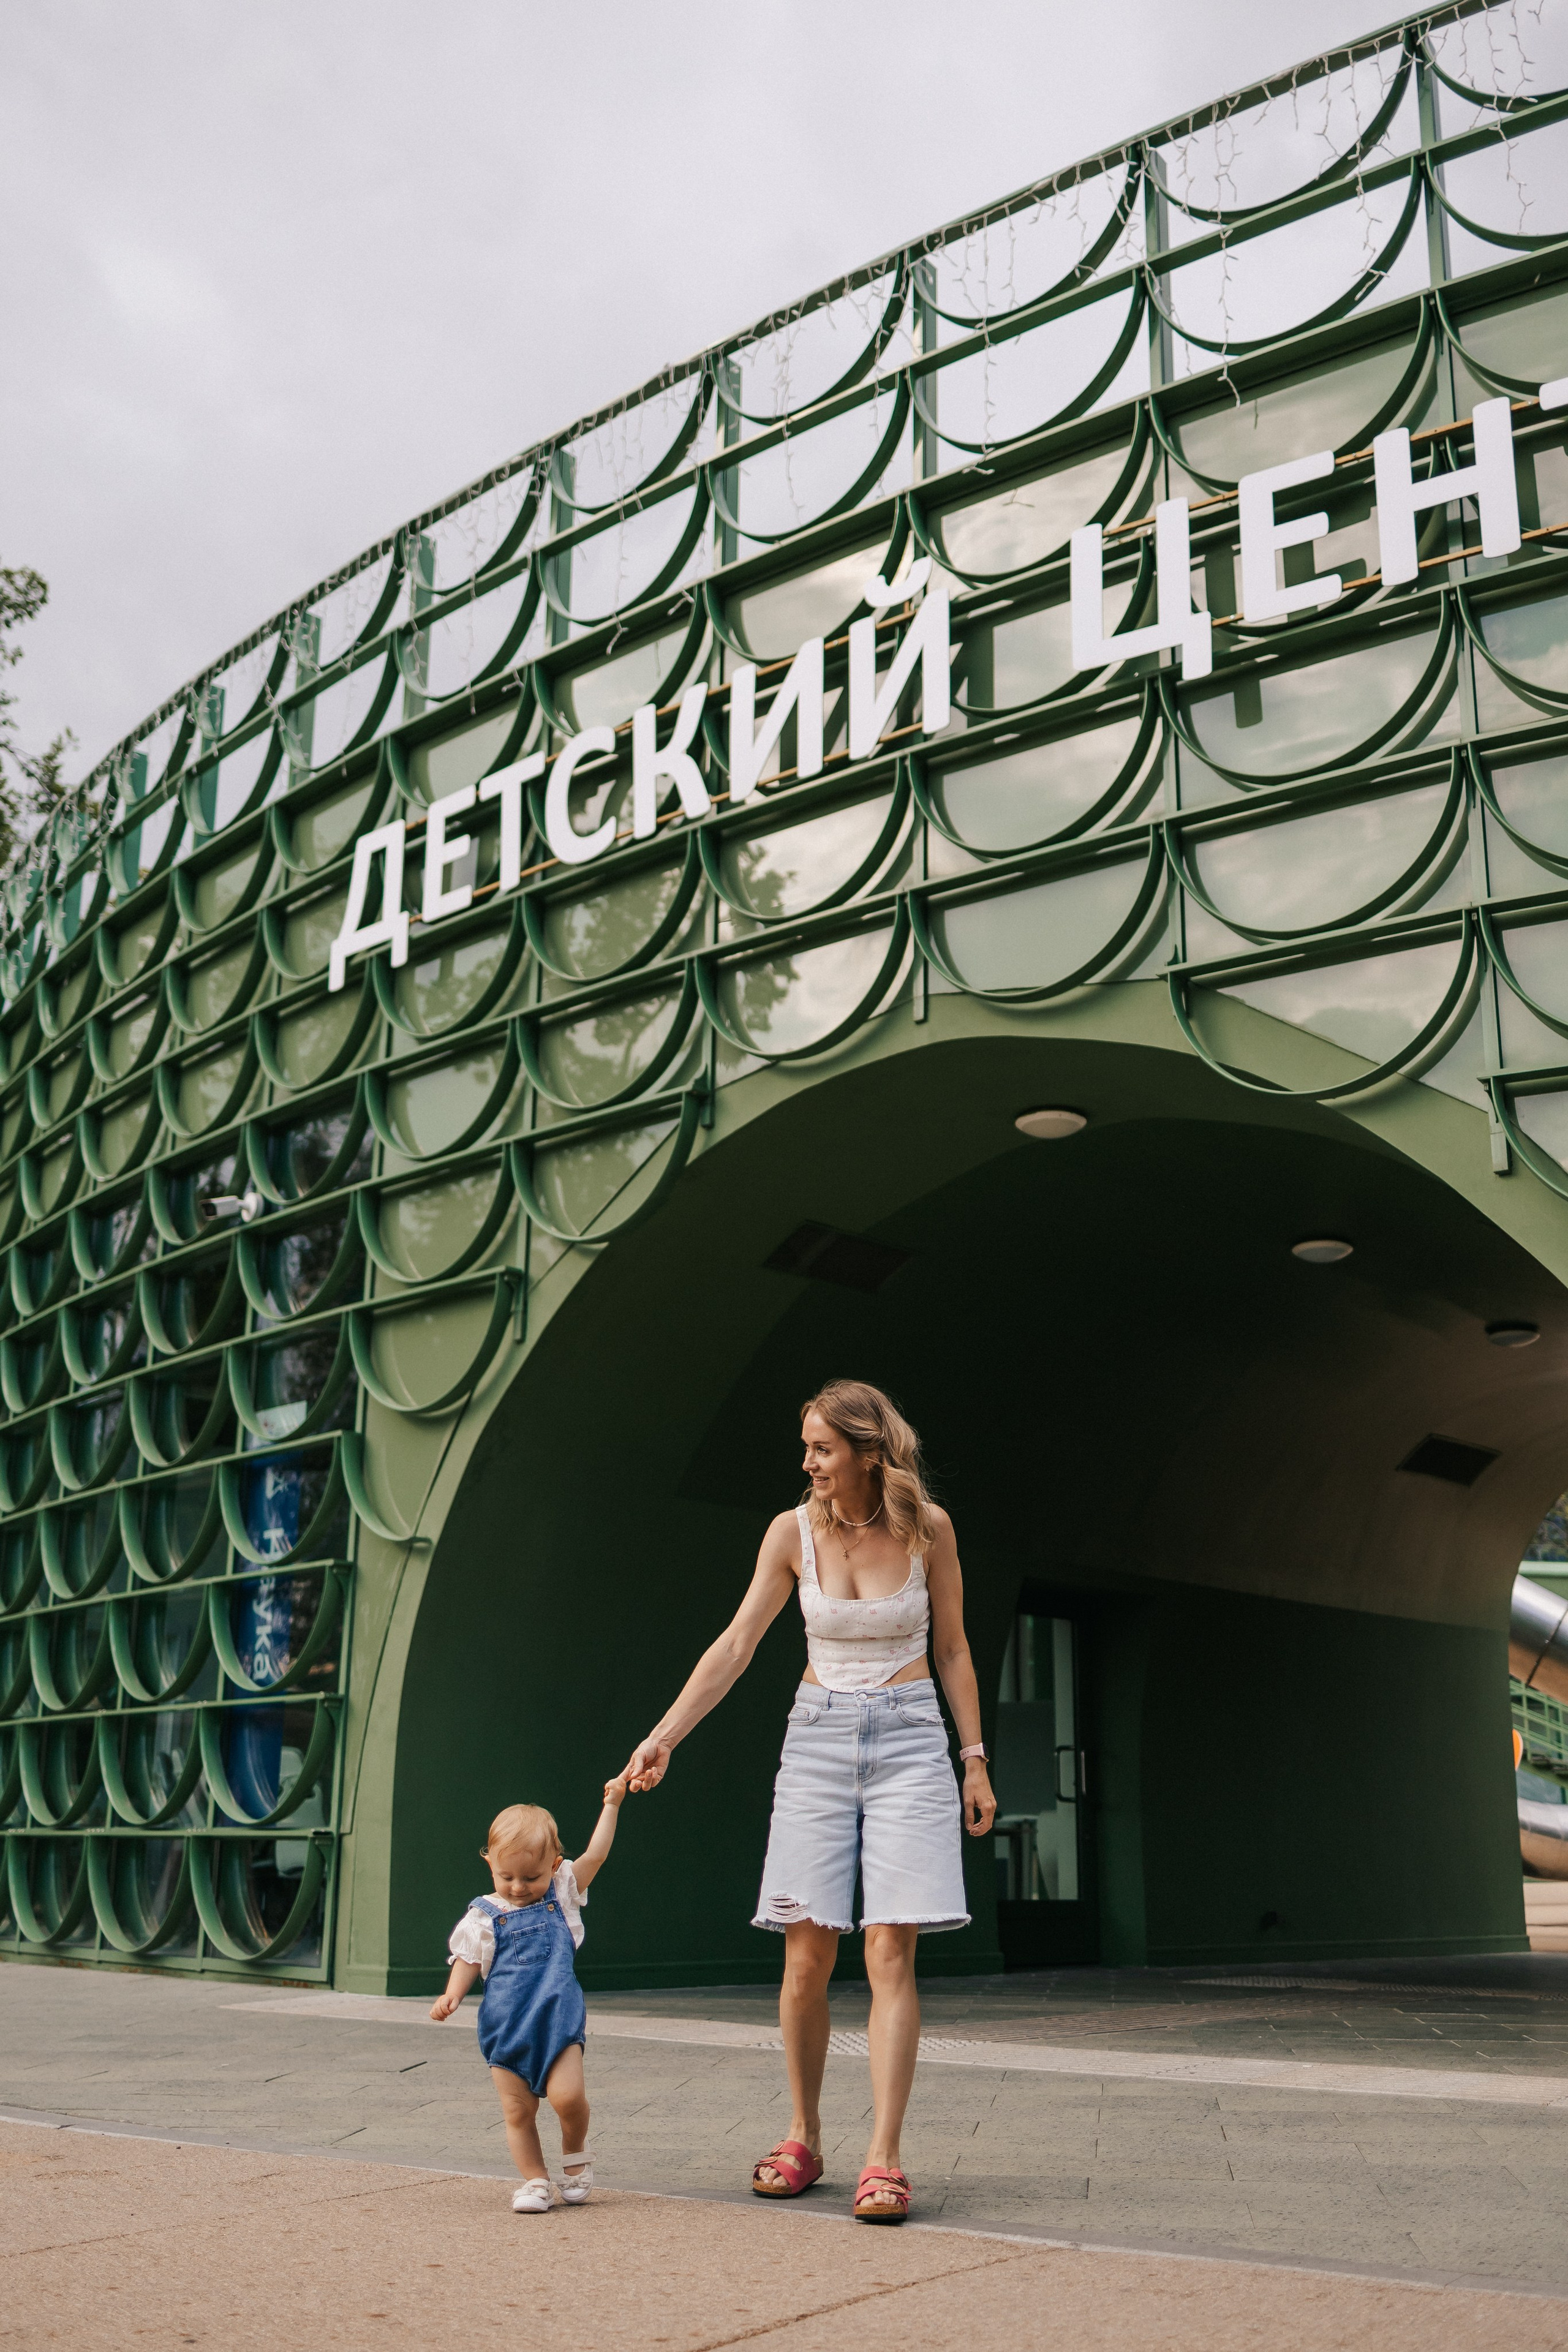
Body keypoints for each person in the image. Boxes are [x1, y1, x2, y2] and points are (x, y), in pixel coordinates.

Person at [622, 1378, 997, 2223]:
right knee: (805, 1959)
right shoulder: (789, 1534)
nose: (809, 1463)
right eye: (808, 1448)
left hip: (909, 1740)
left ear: (869, 1451)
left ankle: (885, 2157)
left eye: (823, 1448)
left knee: (890, 1953)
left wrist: (973, 1760)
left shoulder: (929, 1529)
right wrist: (664, 1736)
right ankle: (803, 2136)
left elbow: (953, 1647)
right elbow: (737, 1644)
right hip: (818, 1741)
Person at [431, 1783, 625, 2213]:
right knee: (518, 2111)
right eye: (507, 1876)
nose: (518, 1887)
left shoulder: (563, 1892)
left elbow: (597, 1855)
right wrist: (452, 1995)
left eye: (531, 1877)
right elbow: (467, 1958)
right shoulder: (483, 1915)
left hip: (557, 2020)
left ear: (554, 1866)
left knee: (568, 2098)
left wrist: (611, 1805)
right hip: (505, 2027)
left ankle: (574, 2154)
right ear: (490, 1864)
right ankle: (535, 2182)